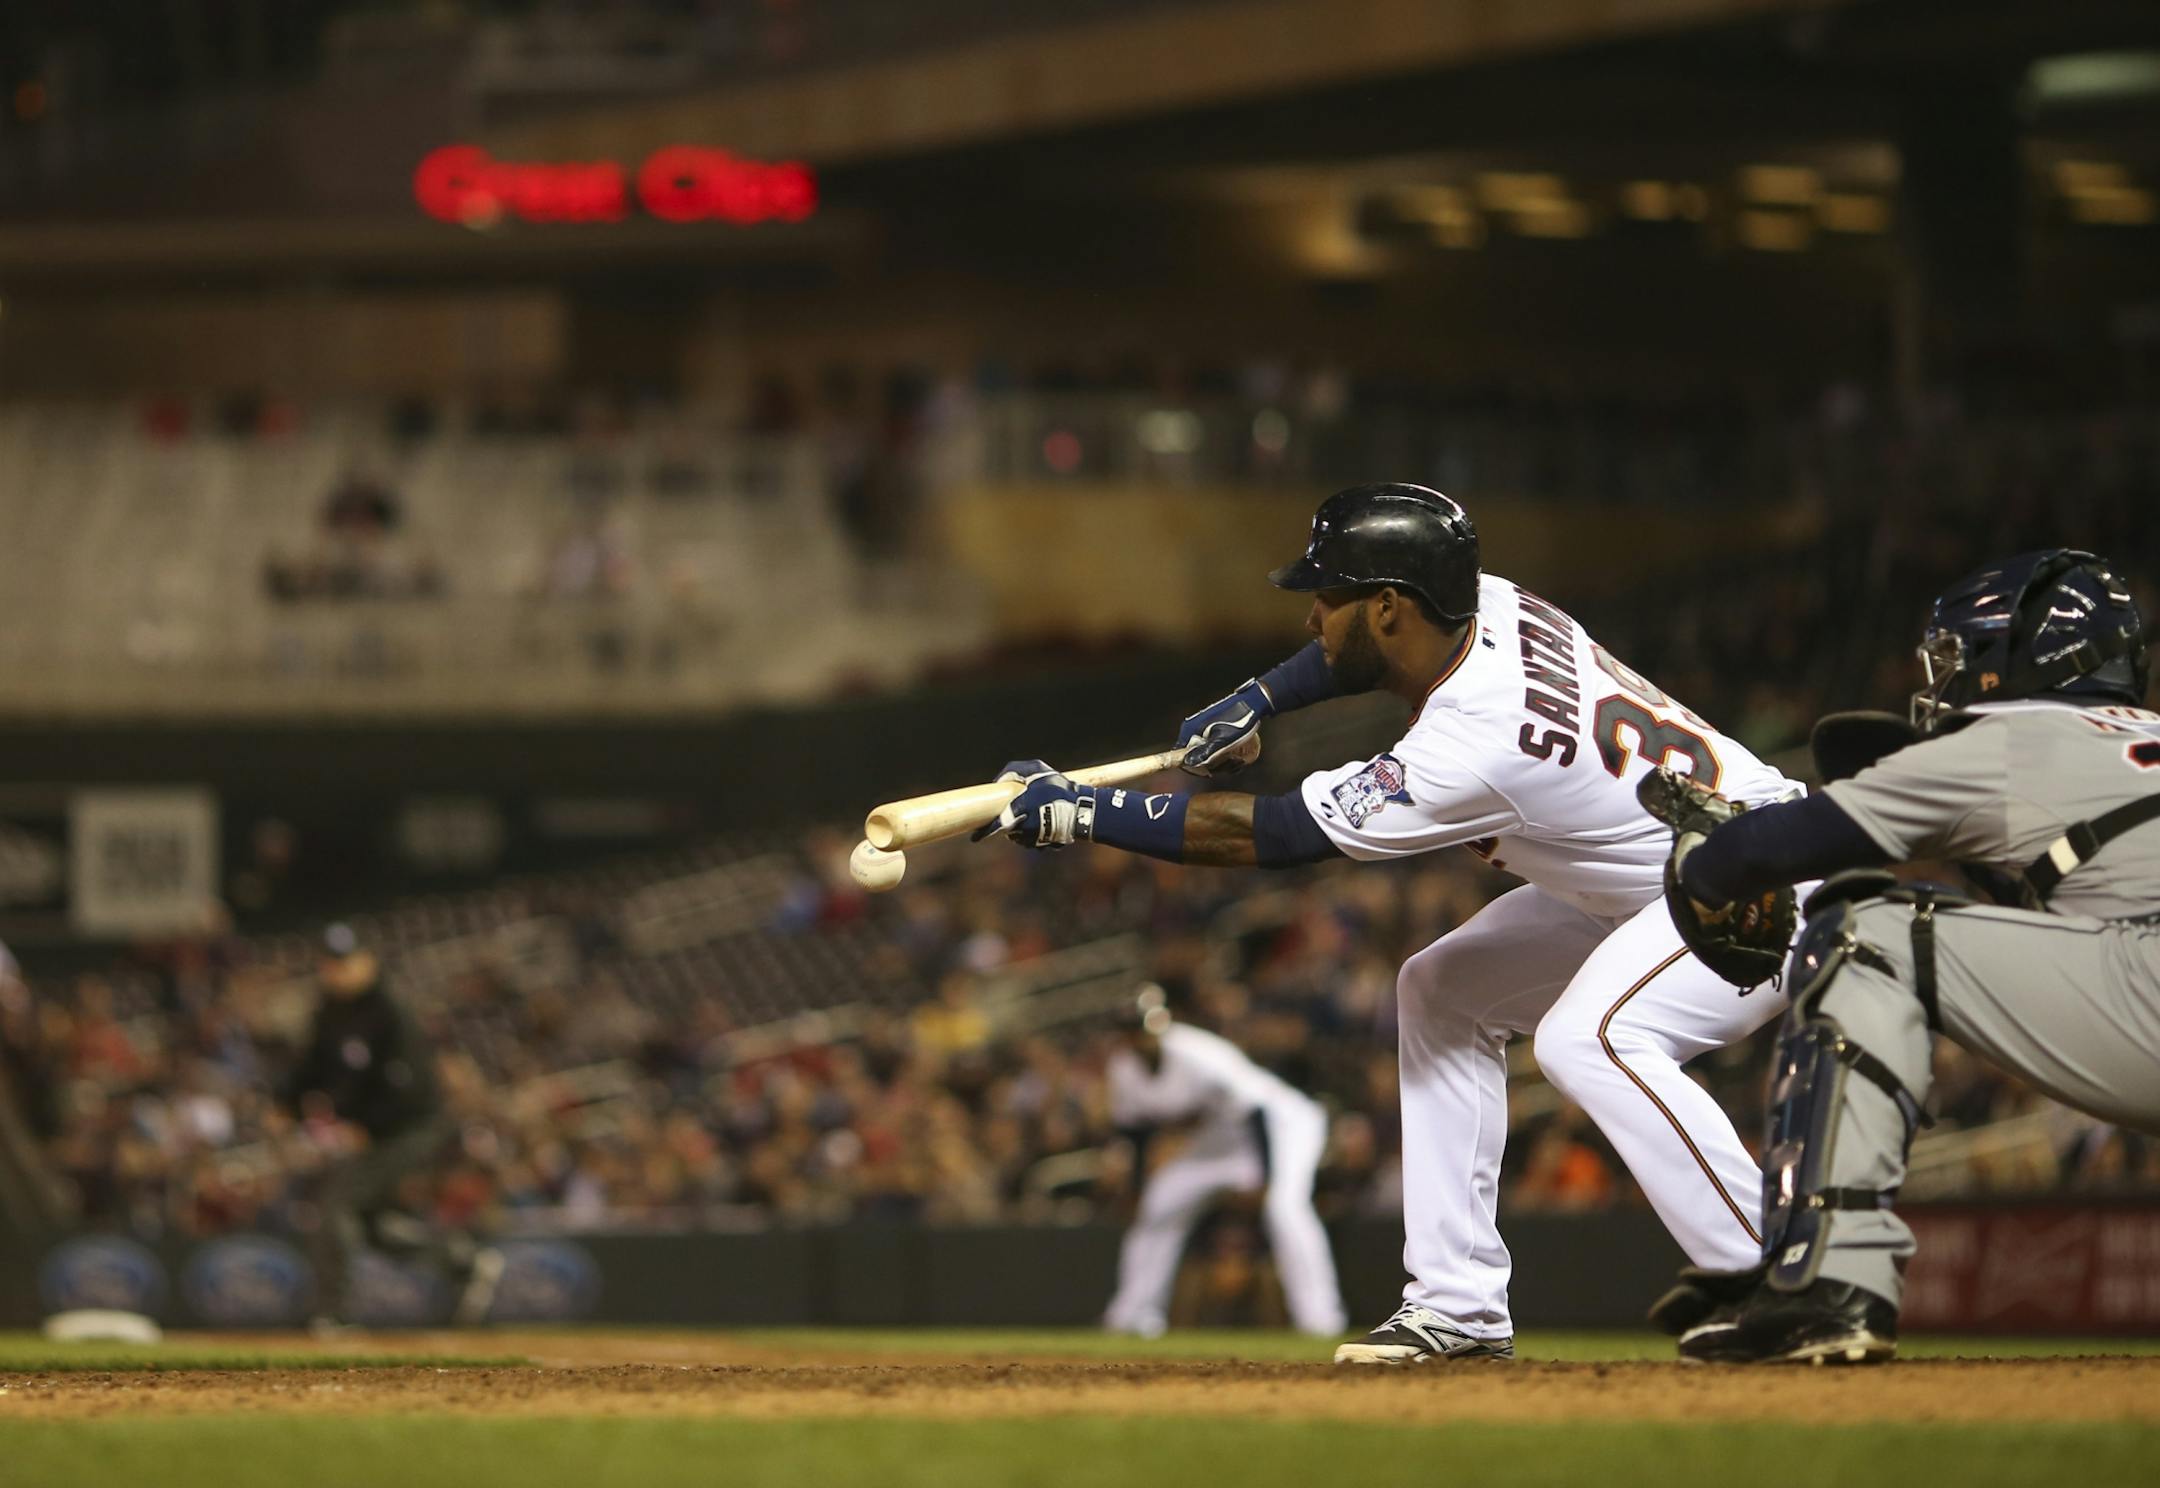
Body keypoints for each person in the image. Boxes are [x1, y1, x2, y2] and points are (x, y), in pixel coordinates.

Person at [980, 482, 1800, 1362]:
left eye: (1329, 597)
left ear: (1387, 607)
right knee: (1442, 991)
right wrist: (1262, 698)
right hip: (1667, 877)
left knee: (1590, 1038)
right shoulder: (1488, 600)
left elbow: (1277, 833)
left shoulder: (1473, 741)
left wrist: (1086, 813)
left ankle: (1780, 1284)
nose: (1312, 618)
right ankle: (1458, 1305)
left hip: (1763, 884)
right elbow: (1346, 661)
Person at [1645, 549, 2160, 1364]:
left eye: (1959, 655)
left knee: (1866, 935)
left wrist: (1701, 858)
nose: (1944, 677)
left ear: (2015, 656)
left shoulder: (2011, 736)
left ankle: (1829, 1280)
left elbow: (1768, 849)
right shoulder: (2136, 742)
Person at [284, 924, 500, 1330]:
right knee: (371, 1224)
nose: (338, 970)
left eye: (346, 961)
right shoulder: (329, 1012)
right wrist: (286, 1104)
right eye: (331, 962)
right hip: (378, 1132)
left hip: (413, 1128)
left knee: (336, 1204)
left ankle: (332, 1314)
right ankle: (461, 1261)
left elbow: (408, 1089)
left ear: (367, 962)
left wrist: (365, 1126)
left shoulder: (388, 1013)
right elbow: (310, 1069)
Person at [1101, 985, 1346, 1338]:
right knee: (1157, 1207)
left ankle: (1320, 1318)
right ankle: (1133, 1314)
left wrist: (1266, 1178)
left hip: (1280, 1128)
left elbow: (1256, 1110)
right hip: (1217, 1143)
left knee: (1284, 1207)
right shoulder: (1124, 1068)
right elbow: (1137, 1133)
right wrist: (1138, 1187)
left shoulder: (1198, 1053)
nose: (1141, 1038)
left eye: (1145, 1028)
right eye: (1131, 1031)